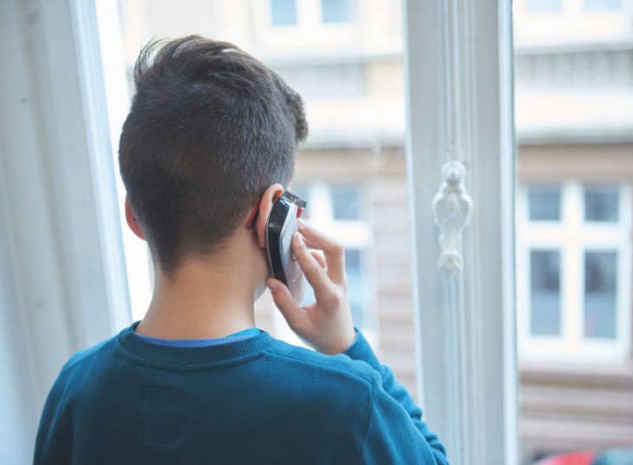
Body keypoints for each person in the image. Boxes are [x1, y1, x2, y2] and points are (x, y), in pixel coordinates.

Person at [33, 35, 448, 465]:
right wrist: (347, 344)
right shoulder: (348, 406)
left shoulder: (76, 389)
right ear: (273, 212)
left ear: (134, 216)